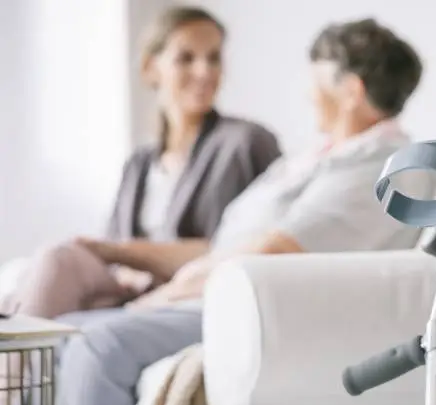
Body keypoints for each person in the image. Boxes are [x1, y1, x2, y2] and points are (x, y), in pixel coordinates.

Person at [55, 18, 436, 405]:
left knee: (99, 344)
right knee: (64, 333)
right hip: (222, 294)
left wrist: (167, 293)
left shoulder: (380, 166)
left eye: (315, 80)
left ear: (350, 91)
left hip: (255, 306)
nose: (307, 94)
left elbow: (277, 250)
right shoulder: (326, 156)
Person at [0, 6, 281, 319]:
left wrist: (127, 253)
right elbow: (113, 247)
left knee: (55, 264)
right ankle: (16, 362)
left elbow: (254, 243)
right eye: (186, 58)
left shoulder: (246, 142)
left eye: (214, 57)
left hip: (185, 291)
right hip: (127, 290)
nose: (205, 71)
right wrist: (120, 262)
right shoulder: (140, 162)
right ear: (151, 67)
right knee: (48, 263)